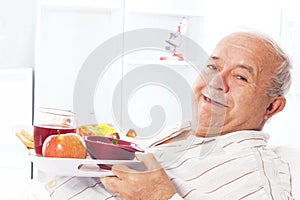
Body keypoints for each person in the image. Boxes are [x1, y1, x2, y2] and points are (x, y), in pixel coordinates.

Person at [36, 31, 293, 199]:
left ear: (272, 107)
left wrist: (161, 196)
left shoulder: (256, 178)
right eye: (213, 66)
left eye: (240, 77)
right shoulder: (186, 132)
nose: (216, 81)